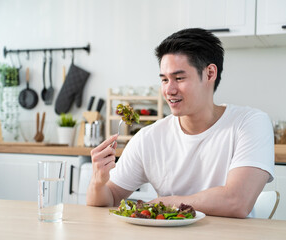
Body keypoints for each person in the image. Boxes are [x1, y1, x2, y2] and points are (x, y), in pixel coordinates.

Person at [86, 28, 274, 218]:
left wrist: (166, 203)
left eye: (179, 78)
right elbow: (108, 199)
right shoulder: (148, 138)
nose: (169, 90)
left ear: (210, 74)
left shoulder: (249, 124)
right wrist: (97, 181)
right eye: (165, 80)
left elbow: (237, 202)